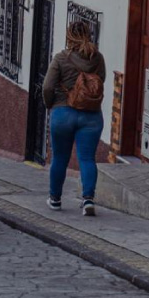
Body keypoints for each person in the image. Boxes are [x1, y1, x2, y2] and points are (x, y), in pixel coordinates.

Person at [43, 20, 106, 216]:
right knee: (87, 158)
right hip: (91, 116)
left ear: (69, 37)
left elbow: (47, 86)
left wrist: (50, 104)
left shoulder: (61, 58)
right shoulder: (97, 58)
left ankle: (55, 199)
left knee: (60, 158)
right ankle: (88, 199)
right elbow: (100, 81)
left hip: (63, 113)